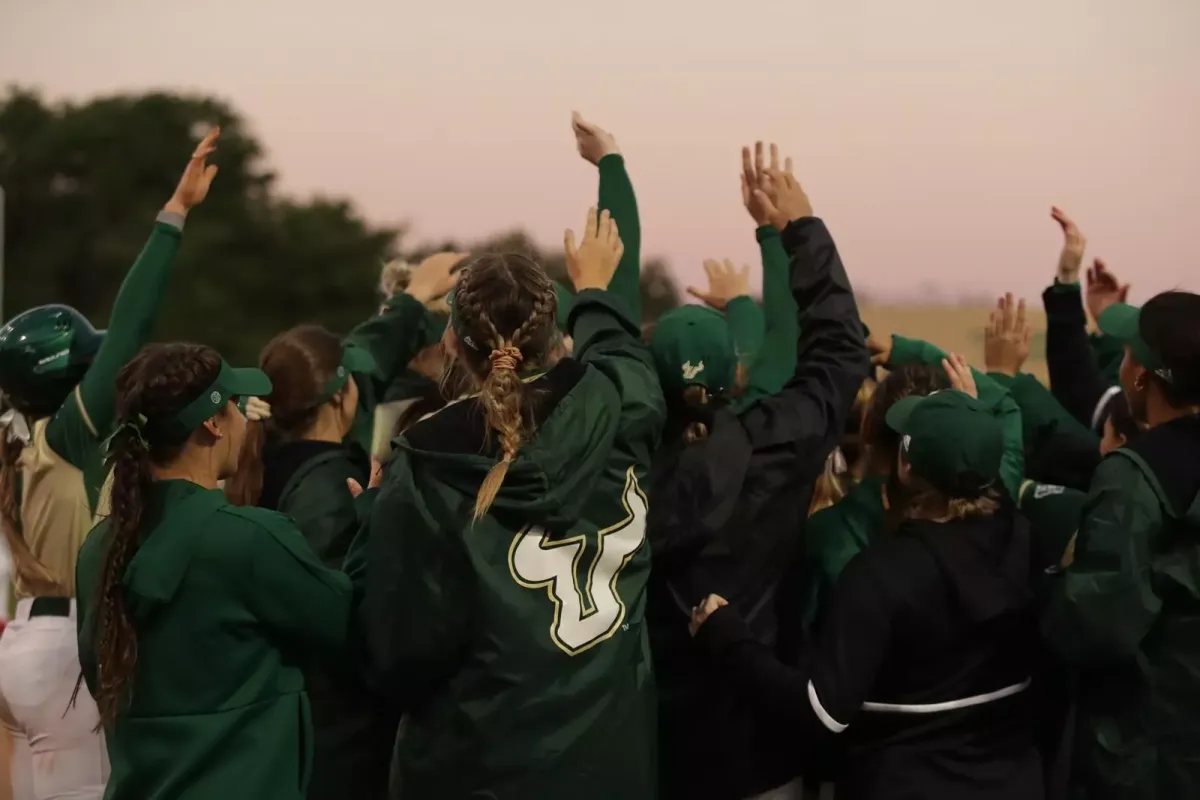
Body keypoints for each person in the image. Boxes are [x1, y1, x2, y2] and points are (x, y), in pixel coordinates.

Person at [344, 206, 663, 800]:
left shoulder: (427, 465)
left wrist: (372, 521)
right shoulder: (625, 411)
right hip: (609, 765)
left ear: (451, 343)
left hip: (479, 766)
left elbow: (398, 655)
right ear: (554, 336)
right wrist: (594, 288)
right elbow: (625, 362)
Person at [692, 358, 1043, 800]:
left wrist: (728, 638)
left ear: (905, 468)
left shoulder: (880, 575)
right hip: (1011, 784)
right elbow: (996, 489)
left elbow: (823, 712)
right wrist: (967, 431)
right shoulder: (1022, 539)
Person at [0, 128, 220, 800]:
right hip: (67, 646)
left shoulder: (17, 439)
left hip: (26, 643)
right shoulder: (66, 432)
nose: (110, 366)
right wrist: (173, 216)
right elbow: (130, 324)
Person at [645, 146, 870, 800]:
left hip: (647, 748)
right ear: (734, 374)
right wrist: (799, 231)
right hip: (757, 748)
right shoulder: (776, 443)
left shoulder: (609, 463)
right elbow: (837, 354)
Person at [222, 252, 456, 800]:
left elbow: (354, 358)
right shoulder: (330, 488)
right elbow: (341, 628)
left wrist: (408, 303)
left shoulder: (261, 462)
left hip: (279, 729)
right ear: (344, 396)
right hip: (333, 738)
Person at [74, 343, 352, 800]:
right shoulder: (248, 538)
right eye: (237, 406)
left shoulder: (98, 550)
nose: (245, 420)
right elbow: (344, 622)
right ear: (211, 421)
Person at [1041, 290, 1200, 799]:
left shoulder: (1132, 478)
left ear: (1139, 376)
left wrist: (1056, 580)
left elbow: (1099, 624)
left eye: (1128, 352)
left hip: (1147, 755)